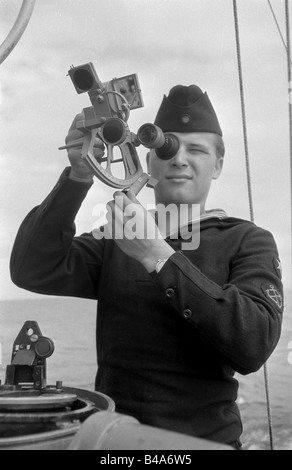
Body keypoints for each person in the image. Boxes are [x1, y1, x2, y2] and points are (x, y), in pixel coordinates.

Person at [10, 84, 284, 449]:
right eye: (166, 146)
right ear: (149, 160)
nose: (179, 158)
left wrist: (157, 255)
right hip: (114, 441)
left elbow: (252, 343)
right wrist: (78, 174)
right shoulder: (117, 237)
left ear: (217, 165)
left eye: (197, 150)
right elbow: (32, 267)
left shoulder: (247, 240)